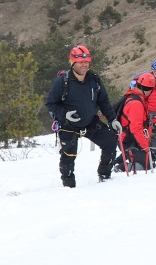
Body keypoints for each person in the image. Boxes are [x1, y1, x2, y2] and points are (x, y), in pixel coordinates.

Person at [43, 44, 120, 187]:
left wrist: (112, 119)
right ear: (73, 62)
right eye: (81, 62)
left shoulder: (94, 80)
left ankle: (105, 176)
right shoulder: (62, 82)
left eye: (87, 61)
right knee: (68, 156)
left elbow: (103, 101)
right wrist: (65, 114)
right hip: (68, 125)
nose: (85, 64)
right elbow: (50, 103)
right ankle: (69, 186)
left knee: (110, 142)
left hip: (90, 122)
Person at [115, 72, 156, 173]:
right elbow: (136, 128)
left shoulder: (135, 97)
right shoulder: (136, 103)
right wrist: (145, 147)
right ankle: (119, 167)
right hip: (129, 140)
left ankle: (120, 159)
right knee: (146, 164)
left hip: (131, 139)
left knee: (150, 161)